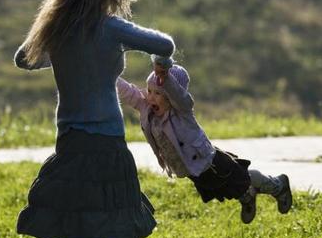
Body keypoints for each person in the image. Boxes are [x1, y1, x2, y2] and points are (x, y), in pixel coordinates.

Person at [13, 0, 175, 238]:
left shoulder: (60, 31)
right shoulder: (110, 26)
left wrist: (52, 33)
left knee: (118, 226)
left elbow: (24, 58)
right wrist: (158, 64)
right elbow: (165, 45)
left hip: (69, 139)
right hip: (105, 141)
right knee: (130, 229)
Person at [117, 55, 293, 224]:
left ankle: (277, 185)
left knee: (242, 178)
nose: (151, 97)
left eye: (158, 93)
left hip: (210, 161)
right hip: (192, 169)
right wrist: (106, 76)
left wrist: (166, 77)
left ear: (171, 97)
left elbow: (179, 95)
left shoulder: (182, 111)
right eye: (149, 91)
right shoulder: (148, 109)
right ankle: (247, 195)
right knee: (223, 189)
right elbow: (129, 93)